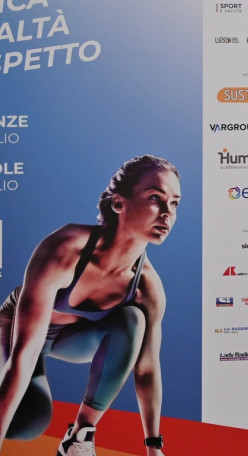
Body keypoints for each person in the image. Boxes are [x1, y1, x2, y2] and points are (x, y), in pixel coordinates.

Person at [0, 155, 179, 456]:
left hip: (72, 340)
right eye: (155, 198)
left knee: (133, 320)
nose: (167, 213)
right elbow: (24, 354)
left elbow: (147, 370)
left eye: (174, 203)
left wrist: (154, 447)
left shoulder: (147, 287)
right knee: (26, 422)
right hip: (15, 330)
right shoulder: (66, 248)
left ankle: (79, 437)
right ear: (119, 203)